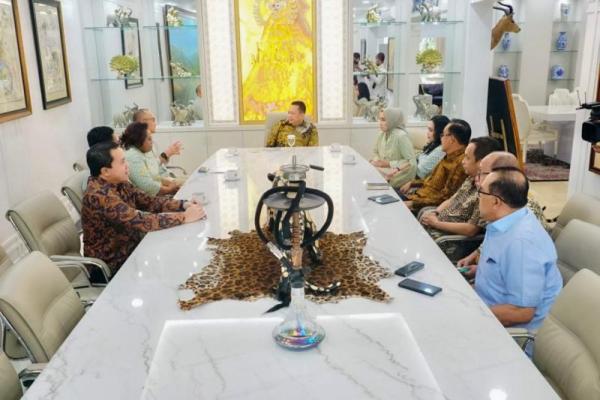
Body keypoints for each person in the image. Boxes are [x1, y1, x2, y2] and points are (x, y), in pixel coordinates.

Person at [82, 142, 205, 273]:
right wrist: (184, 217)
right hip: (113, 265)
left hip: (132, 250)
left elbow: (148, 201)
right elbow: (140, 221)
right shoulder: (99, 196)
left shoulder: (119, 182)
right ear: (105, 171)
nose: (127, 165)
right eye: (122, 162)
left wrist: (183, 204)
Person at [471, 168, 562, 337]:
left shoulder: (522, 242)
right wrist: (485, 270)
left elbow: (521, 312)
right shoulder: (508, 220)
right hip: (485, 306)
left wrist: (469, 314)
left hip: (510, 333)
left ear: (496, 202)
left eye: (481, 192)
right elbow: (508, 265)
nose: (478, 197)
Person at [457, 151, 552, 269]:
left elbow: (522, 268)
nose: (477, 177)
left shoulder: (521, 215)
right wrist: (474, 262)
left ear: (500, 176)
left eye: (481, 173)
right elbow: (493, 239)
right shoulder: (498, 202)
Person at [420, 136, 501, 238]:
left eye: (467, 158)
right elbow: (452, 199)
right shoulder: (470, 178)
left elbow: (471, 229)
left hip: (446, 239)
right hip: (437, 226)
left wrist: (436, 223)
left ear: (482, 162)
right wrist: (435, 213)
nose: (463, 161)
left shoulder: (487, 191)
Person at [401, 119, 471, 211]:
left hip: (424, 202)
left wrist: (413, 203)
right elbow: (431, 180)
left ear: (452, 139)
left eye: (443, 135)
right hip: (419, 195)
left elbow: (447, 197)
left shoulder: (461, 163)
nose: (441, 138)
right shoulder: (448, 155)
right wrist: (412, 183)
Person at [121, 122, 180, 196]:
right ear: (139, 140)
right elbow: (147, 186)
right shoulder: (133, 156)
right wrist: (169, 190)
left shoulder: (142, 151)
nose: (152, 142)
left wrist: (171, 183)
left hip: (161, 186)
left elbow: (153, 173)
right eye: (149, 139)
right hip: (150, 198)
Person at [370, 108, 416, 189]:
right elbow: (375, 152)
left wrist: (389, 164)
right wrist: (377, 161)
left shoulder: (401, 136)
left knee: (368, 188)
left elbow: (411, 162)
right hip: (382, 172)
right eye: (379, 119)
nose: (380, 123)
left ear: (392, 120)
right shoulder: (382, 134)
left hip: (396, 176)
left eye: (383, 120)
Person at [81, 126, 121, 191]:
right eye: (117, 143)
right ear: (106, 146)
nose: (120, 146)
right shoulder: (98, 188)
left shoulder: (111, 167)